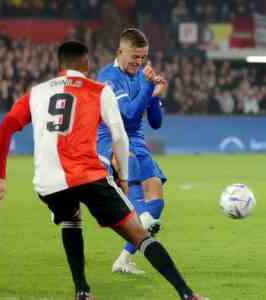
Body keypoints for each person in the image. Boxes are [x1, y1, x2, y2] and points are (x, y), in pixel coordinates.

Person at [0, 41, 208, 300]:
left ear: (59, 65)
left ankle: (82, 291)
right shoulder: (99, 90)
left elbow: (4, 128)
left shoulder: (36, 93)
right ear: (86, 64)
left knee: (70, 218)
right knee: (140, 234)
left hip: (48, 182)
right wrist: (123, 177)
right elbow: (120, 137)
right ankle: (187, 294)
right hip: (88, 176)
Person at [96, 28, 169, 274]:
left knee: (156, 202)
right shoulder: (108, 77)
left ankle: (124, 260)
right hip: (112, 138)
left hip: (137, 139)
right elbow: (126, 114)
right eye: (134, 57)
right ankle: (140, 219)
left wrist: (156, 97)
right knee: (143, 209)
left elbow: (156, 122)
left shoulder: (141, 75)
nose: (138, 62)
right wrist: (148, 88)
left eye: (143, 57)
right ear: (120, 51)